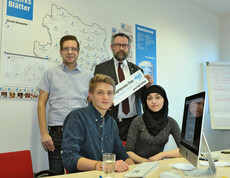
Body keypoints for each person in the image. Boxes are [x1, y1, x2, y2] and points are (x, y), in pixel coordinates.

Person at [37, 35, 93, 174]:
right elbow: (41, 103)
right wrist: (44, 133)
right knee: (56, 174)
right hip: (56, 135)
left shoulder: (88, 75)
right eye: (66, 48)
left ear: (78, 52)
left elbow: (93, 104)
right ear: (60, 52)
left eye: (73, 48)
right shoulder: (50, 73)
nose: (70, 52)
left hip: (81, 133)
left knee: (80, 175)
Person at [62, 74, 135, 173]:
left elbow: (121, 153)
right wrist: (104, 166)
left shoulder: (112, 122)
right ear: (91, 95)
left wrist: (136, 170)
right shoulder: (77, 117)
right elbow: (69, 158)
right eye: (100, 93)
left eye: (109, 93)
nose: (105, 97)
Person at [94, 33, 153, 141]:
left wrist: (147, 87)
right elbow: (96, 95)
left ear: (129, 48)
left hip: (134, 123)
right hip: (110, 122)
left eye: (124, 45)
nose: (121, 48)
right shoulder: (101, 69)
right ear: (111, 47)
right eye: (117, 45)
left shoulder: (137, 71)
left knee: (133, 156)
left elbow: (143, 98)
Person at [125, 85, 181, 163]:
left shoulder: (171, 123)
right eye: (149, 98)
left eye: (157, 97)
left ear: (164, 100)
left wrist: (162, 154)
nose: (153, 101)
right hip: (137, 165)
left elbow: (184, 151)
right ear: (146, 102)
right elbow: (128, 151)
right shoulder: (138, 121)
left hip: (157, 165)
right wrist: (147, 162)